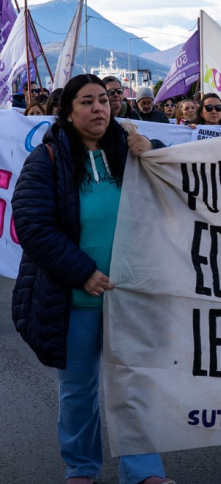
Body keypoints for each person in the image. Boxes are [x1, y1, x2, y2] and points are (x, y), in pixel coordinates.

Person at [11, 74, 174, 484]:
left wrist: (153, 150)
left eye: (103, 99)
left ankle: (143, 472)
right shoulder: (47, 159)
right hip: (75, 299)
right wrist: (82, 272)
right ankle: (81, 469)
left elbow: (178, 180)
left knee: (134, 386)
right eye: (87, 101)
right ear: (68, 112)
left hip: (130, 296)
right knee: (78, 390)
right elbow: (32, 225)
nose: (99, 107)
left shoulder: (131, 149)